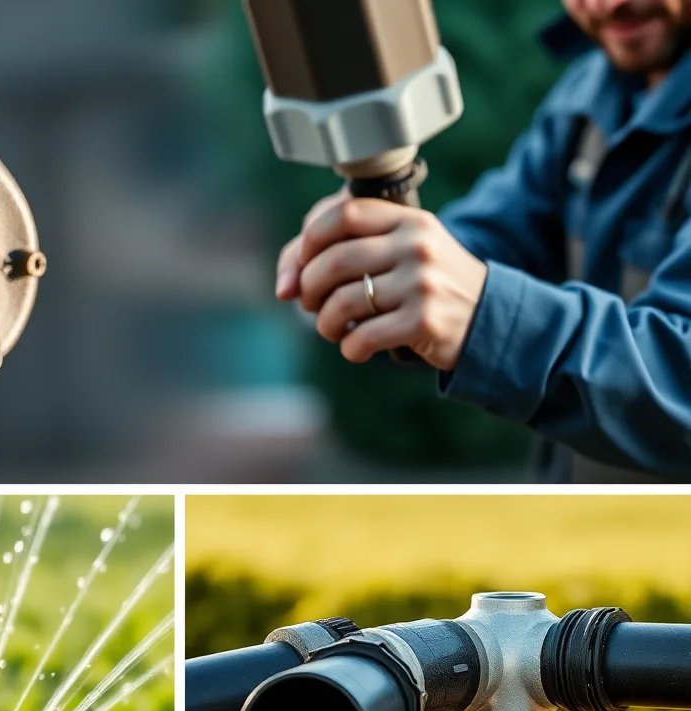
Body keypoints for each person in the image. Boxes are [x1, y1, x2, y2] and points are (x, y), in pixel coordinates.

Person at [276, 0, 691, 482]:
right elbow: (495, 235)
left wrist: (485, 317)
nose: (608, 4)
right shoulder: (593, 89)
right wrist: (383, 254)